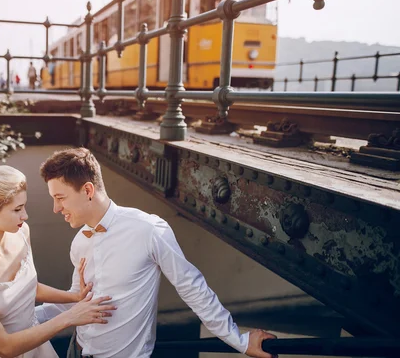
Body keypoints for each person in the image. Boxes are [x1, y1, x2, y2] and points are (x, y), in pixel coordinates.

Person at [36, 148, 277, 358]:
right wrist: (16, 317)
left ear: (88, 190)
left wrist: (239, 341)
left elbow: (192, 288)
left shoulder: (149, 230)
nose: (56, 208)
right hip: (76, 351)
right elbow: (75, 300)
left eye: (60, 198)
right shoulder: (79, 242)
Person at [0, 165, 116, 358]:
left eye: (24, 206)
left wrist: (75, 297)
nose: (25, 216)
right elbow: (5, 347)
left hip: (38, 349)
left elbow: (28, 288)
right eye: (17, 209)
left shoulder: (22, 232)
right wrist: (70, 317)